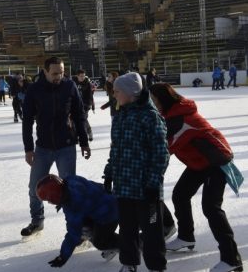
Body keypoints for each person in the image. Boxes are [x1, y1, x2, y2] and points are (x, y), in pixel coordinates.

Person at [150, 83, 243, 272]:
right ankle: (186, 236)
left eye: (154, 99)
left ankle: (232, 260)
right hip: (199, 163)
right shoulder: (171, 116)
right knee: (180, 194)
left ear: (163, 99)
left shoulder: (180, 120)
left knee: (211, 207)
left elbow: (164, 150)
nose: (153, 103)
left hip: (216, 161)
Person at [103, 72, 169, 272]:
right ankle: (129, 263)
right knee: (127, 229)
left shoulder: (151, 117)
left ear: (130, 93)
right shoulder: (120, 116)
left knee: (152, 232)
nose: (114, 95)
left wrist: (152, 183)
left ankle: (157, 267)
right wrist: (110, 172)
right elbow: (116, 149)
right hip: (124, 186)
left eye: (117, 91)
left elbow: (161, 154)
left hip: (146, 189)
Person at [21, 56, 91, 238]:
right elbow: (27, 120)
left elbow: (79, 115)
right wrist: (28, 148)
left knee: (70, 189)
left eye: (61, 72)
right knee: (34, 187)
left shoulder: (69, 86)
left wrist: (84, 141)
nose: (59, 76)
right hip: (42, 147)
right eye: (54, 73)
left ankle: (76, 228)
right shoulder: (35, 89)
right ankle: (37, 220)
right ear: (45, 72)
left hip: (66, 146)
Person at [36, 174, 119, 268]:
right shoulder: (70, 180)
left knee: (100, 242)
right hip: (108, 201)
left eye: (48, 200)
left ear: (54, 195)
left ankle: (129, 244)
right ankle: (102, 238)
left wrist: (63, 256)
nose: (49, 202)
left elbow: (73, 233)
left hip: (109, 214)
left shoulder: (73, 204)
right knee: (84, 227)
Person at [73, 69, 95, 141]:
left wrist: (89, 105)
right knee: (75, 120)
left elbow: (90, 96)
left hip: (85, 105)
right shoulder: (73, 83)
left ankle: (89, 132)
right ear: (77, 76)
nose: (83, 77)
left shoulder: (87, 84)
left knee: (83, 119)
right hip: (75, 105)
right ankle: (76, 136)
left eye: (84, 76)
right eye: (81, 76)